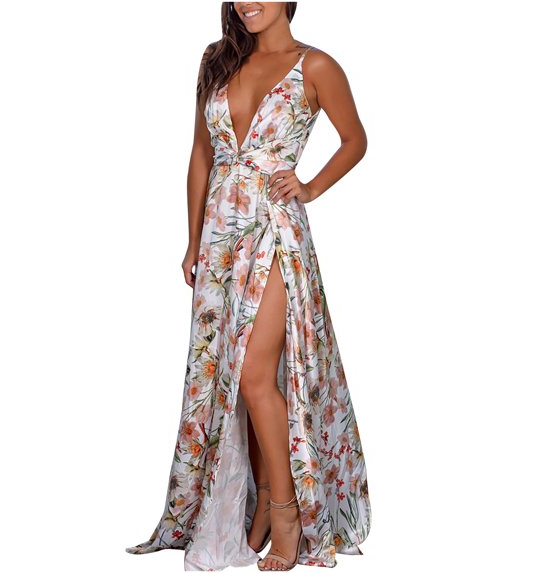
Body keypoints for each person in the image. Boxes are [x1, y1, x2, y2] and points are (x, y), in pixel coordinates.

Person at [125, 2, 371, 571]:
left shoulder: (315, 66)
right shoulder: (218, 60)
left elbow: (355, 139)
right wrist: (193, 241)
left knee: (257, 372)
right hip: (218, 237)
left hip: (274, 231)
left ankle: (287, 512)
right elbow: (201, 155)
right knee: (230, 376)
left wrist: (310, 186)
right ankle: (257, 502)